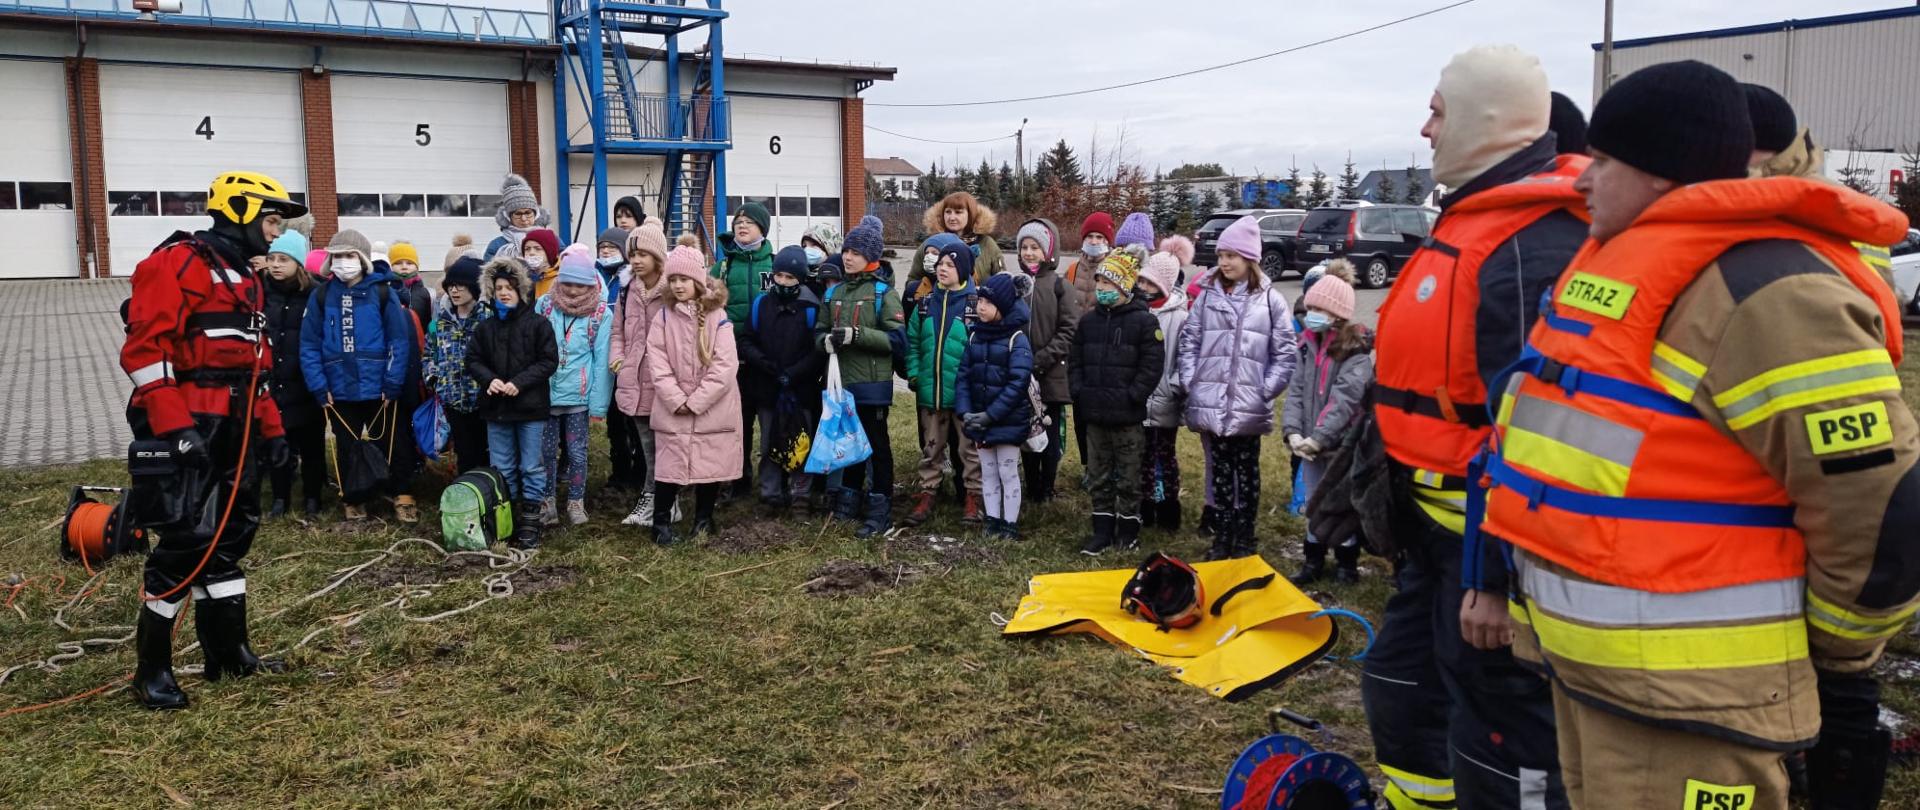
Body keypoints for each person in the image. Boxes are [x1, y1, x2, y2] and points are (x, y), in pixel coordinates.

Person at [1476, 60, 1918, 809]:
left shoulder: (1768, 288)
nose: (1582, 181)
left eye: (1603, 161)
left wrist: (1837, 645)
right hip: (1601, 674)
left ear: (1660, 171)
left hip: (1691, 695)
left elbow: (1879, 499)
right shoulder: (1626, 264)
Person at [1365, 45, 1589, 810]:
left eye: (1437, 111)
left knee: (1501, 739)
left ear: (1487, 120)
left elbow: (1534, 434)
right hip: (1435, 537)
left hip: (1490, 550)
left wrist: (1495, 580)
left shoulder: (1533, 243)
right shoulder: (1476, 220)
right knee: (1402, 691)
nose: (1425, 129)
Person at [120, 170, 306, 709]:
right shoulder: (175, 263)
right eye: (271, 220)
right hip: (189, 422)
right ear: (240, 210)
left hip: (237, 425)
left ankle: (227, 654)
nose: (275, 232)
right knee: (185, 539)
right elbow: (144, 352)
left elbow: (254, 365)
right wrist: (175, 427)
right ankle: (152, 670)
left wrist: (272, 432)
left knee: (232, 533)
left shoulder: (245, 277)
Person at [300, 229, 418, 523]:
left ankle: (401, 493)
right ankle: (353, 496)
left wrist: (393, 381)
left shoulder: (383, 293)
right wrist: (318, 384)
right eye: (337, 256)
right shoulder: (321, 295)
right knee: (346, 445)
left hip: (379, 387)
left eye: (349, 255)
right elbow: (309, 344)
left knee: (392, 442)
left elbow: (398, 340)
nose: (343, 261)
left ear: (363, 259)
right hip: (338, 388)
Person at [1281, 264, 1373, 585]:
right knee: (1313, 500)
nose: (1312, 315)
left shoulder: (1355, 352)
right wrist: (1293, 431)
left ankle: (1347, 562)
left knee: (1340, 502)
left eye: (1320, 309)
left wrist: (1320, 437)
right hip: (1309, 443)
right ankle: (1313, 558)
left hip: (1341, 446)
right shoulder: (1307, 346)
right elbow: (1296, 391)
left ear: (1337, 314)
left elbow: (1344, 400)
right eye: (1311, 308)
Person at [1071, 244, 1166, 555]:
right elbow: (1075, 361)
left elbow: (1151, 367)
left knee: (1128, 476)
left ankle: (1128, 530)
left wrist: (1133, 396)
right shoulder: (1089, 322)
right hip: (1095, 414)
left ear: (1125, 285)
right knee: (1098, 475)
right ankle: (1101, 530)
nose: (1101, 288)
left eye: (1108, 283)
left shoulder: (1144, 322)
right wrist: (1080, 391)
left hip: (1126, 416)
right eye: (1099, 282)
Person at [647, 244, 743, 545]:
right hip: (673, 407)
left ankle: (703, 519)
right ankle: (660, 522)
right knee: (668, 465)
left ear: (698, 281)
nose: (678, 285)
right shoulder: (663, 318)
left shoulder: (718, 317)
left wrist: (698, 400)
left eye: (684, 279)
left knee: (709, 463)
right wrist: (676, 399)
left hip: (711, 407)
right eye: (673, 279)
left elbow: (725, 365)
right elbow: (657, 361)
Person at [819, 215, 907, 538]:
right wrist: (824, 341)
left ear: (870, 256)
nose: (847, 257)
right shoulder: (834, 293)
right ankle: (849, 500)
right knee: (850, 445)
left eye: (855, 252)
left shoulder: (884, 294)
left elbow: (897, 340)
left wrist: (858, 335)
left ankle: (881, 510)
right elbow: (819, 330)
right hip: (842, 384)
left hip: (872, 385)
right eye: (846, 250)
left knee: (876, 447)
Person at [468, 254, 558, 549]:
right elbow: (473, 359)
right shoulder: (485, 328)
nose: (504, 293)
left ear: (521, 289)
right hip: (497, 409)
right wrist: (489, 380)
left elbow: (548, 361)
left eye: (509, 287)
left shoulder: (538, 325)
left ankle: (531, 517)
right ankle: (504, 514)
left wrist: (519, 383)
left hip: (530, 408)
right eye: (498, 288)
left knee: (531, 465)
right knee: (502, 466)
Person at [738, 246, 827, 514]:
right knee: (768, 442)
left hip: (800, 389)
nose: (784, 282)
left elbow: (817, 349)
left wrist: (796, 372)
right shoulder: (761, 305)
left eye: (790, 277)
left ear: (800, 279)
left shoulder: (811, 308)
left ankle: (801, 493)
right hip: (767, 386)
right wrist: (764, 363)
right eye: (779, 276)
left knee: (801, 441)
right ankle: (771, 493)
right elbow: (746, 340)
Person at [903, 234, 981, 526]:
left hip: (964, 396)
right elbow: (912, 342)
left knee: (969, 449)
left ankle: (973, 497)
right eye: (940, 264)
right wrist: (914, 372)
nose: (942, 269)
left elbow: (982, 348)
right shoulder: (925, 305)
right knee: (931, 447)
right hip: (931, 392)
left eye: (949, 264)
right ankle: (928, 493)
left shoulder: (975, 305)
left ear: (963, 270)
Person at [536, 248, 615, 526]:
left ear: (591, 284)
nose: (572, 290)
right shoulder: (544, 306)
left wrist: (598, 406)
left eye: (580, 285)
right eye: (567, 283)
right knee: (545, 453)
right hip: (546, 395)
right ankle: (547, 501)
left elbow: (602, 362)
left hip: (578, 399)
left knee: (577, 452)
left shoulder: (601, 314)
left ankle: (575, 502)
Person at [956, 272, 1033, 540]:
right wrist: (965, 411)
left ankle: (1009, 523)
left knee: (1007, 472)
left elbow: (1018, 383)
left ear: (1003, 306)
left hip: (1007, 421)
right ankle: (992, 520)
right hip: (979, 420)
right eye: (980, 301)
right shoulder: (975, 337)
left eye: (988, 303)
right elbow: (963, 377)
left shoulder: (1017, 339)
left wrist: (991, 415)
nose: (981, 307)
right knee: (988, 472)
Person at [1013, 217, 1081, 503]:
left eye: (1035, 247)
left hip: (1050, 374)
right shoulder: (1016, 285)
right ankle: (1032, 486)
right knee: (1026, 432)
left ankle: (1047, 484)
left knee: (1049, 433)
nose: (1029, 253)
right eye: (1024, 247)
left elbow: (1069, 330)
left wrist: (1041, 359)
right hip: (1022, 374)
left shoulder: (1060, 286)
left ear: (1048, 251)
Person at [712, 202, 776, 499]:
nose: (742, 226)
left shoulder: (774, 265)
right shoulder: (723, 267)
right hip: (731, 358)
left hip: (765, 359)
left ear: (763, 228)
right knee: (736, 423)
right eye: (738, 221)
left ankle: (771, 482)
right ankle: (738, 479)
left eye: (749, 222)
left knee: (768, 422)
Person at [259, 229, 324, 519]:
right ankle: (280, 497)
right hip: (274, 380)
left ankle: (312, 496)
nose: (275, 264)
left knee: (311, 443)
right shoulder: (262, 291)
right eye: (272, 258)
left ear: (298, 262)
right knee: (277, 441)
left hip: (305, 379)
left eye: (283, 259)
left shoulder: (315, 293)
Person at [617, 223, 676, 527]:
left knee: (665, 445)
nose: (636, 261)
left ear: (657, 255)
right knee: (647, 445)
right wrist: (618, 358)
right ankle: (656, 497)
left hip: (663, 380)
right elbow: (618, 330)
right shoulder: (627, 290)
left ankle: (661, 499)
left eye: (642, 254)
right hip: (635, 379)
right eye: (632, 255)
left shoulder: (672, 290)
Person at [1138, 236, 1192, 532]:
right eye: (1142, 281)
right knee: (1143, 457)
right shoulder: (1139, 312)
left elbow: (1185, 359)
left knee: (1165, 456)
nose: (1144, 287)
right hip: (1139, 400)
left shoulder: (1180, 318)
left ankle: (1169, 509)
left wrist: (1174, 387)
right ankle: (1145, 508)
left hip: (1165, 401)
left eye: (1150, 283)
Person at [426, 254, 490, 473]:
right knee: (463, 452)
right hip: (453, 399)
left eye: (460, 286)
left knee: (484, 453)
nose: (454, 291)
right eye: (450, 286)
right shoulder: (441, 322)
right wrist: (434, 379)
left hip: (482, 400)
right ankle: (464, 489)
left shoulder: (488, 319)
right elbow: (429, 354)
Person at [907, 192, 1001, 302]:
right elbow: (912, 281)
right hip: (936, 306)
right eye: (948, 212)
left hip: (978, 307)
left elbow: (1001, 282)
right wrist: (925, 290)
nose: (952, 217)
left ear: (970, 214)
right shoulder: (931, 244)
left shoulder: (987, 244)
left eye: (958, 212)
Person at [484, 173, 550, 260]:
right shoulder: (497, 246)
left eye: (528, 213)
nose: (524, 219)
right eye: (518, 214)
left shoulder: (551, 240)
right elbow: (488, 267)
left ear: (536, 214)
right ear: (508, 217)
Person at [1064, 211, 1114, 313]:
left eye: (1099, 237)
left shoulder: (1113, 272)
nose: (1093, 242)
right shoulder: (1072, 270)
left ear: (1107, 241)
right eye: (1090, 236)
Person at [385, 241, 433, 329]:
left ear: (416, 267)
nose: (404, 267)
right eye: (398, 263)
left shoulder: (424, 293)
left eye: (409, 263)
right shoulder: (384, 291)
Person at [521, 228, 562, 300]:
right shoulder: (521, 279)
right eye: (527, 249)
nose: (531, 253)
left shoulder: (561, 280)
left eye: (537, 249)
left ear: (550, 253)